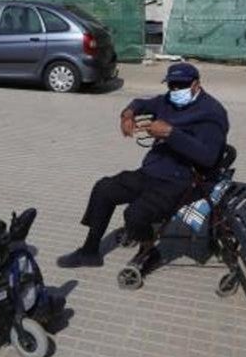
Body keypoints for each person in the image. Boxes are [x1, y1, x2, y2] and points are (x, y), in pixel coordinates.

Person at [57, 63, 229, 269]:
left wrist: (171, 133)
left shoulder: (212, 113)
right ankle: (89, 251)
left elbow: (208, 157)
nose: (175, 90)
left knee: (135, 214)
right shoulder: (168, 100)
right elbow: (141, 103)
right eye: (171, 85)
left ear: (195, 84)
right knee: (104, 188)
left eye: (180, 85)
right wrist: (127, 114)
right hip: (152, 170)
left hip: (183, 180)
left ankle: (149, 250)